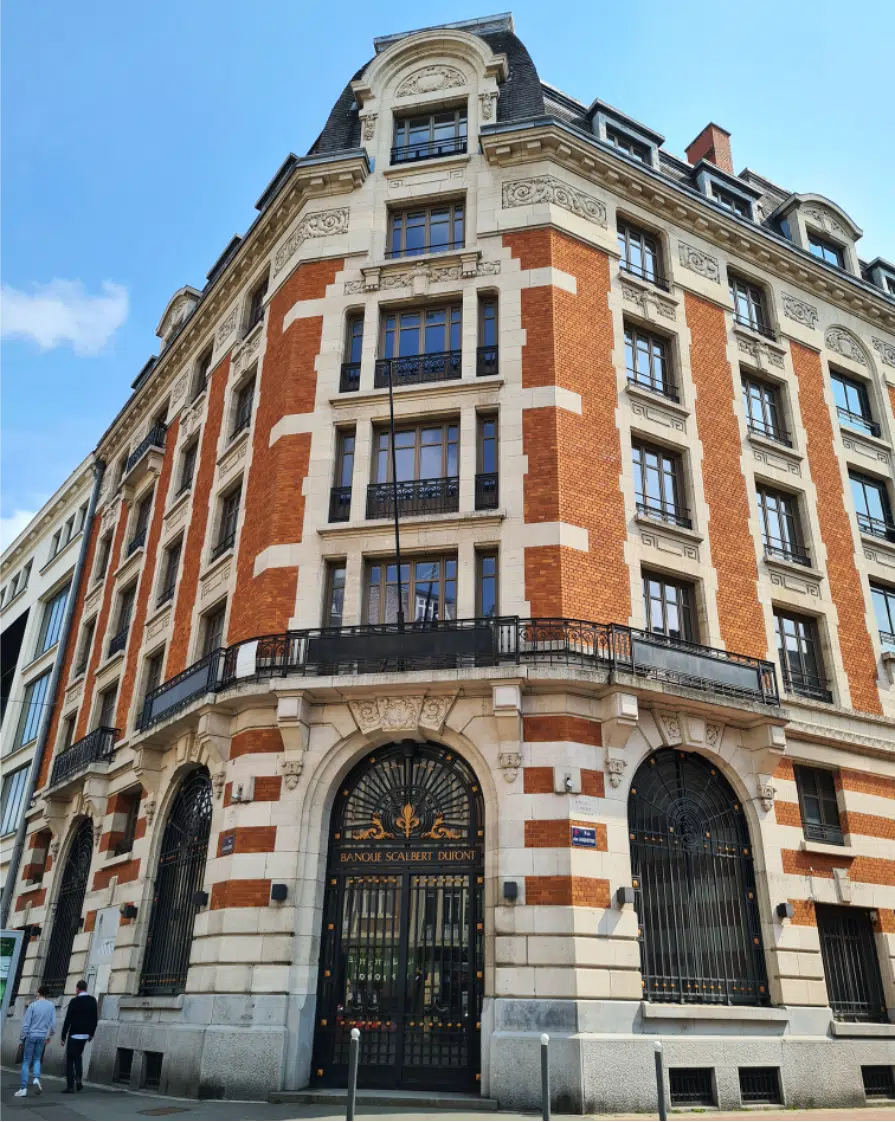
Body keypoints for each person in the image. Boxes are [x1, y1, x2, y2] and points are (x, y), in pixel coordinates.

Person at [15, 986, 55, 1097]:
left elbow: (26, 1025)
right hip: (42, 1037)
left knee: (26, 1061)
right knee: (37, 1059)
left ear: (38, 993)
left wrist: (21, 1039)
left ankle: (23, 1088)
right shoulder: (51, 1006)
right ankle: (36, 1078)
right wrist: (49, 1036)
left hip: (31, 1035)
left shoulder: (32, 1006)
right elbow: (53, 1025)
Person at [60, 979, 98, 1093]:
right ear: (85, 988)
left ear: (77, 988)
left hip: (74, 1034)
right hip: (85, 1035)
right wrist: (91, 1033)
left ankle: (70, 1086)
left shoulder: (74, 1001)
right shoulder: (92, 1000)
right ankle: (79, 1081)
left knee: (70, 1059)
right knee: (78, 1057)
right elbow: (94, 1019)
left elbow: (68, 1020)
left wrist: (63, 1036)